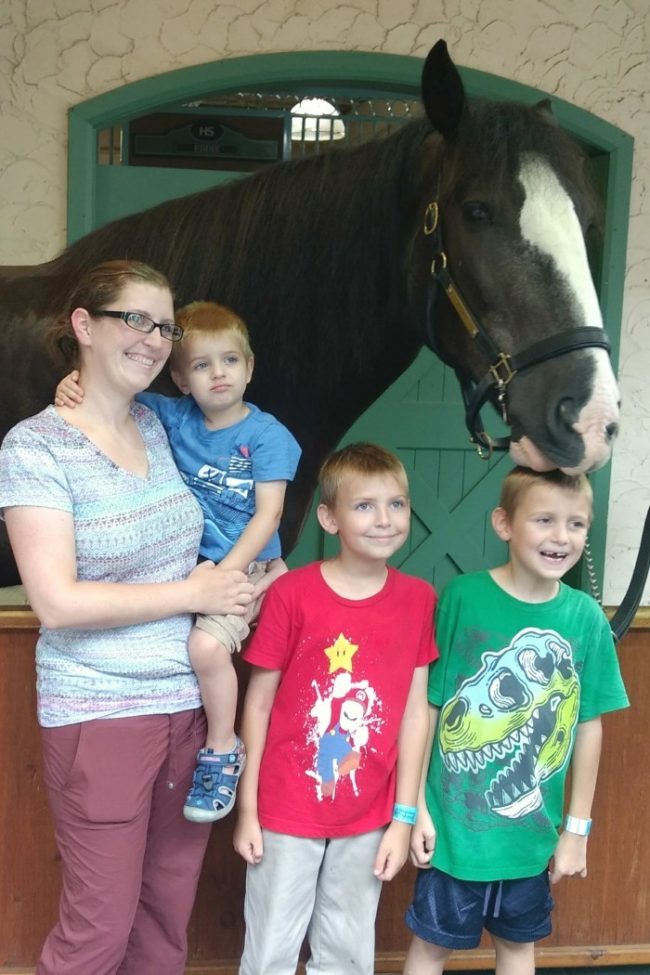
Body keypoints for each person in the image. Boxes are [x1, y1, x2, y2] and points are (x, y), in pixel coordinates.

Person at [0, 260, 260, 975]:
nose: (154, 337)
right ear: (85, 325)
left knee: (162, 925)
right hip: (101, 714)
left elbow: (245, 427)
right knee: (99, 932)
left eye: (165, 325)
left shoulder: (158, 423)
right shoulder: (35, 447)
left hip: (188, 713)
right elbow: (57, 600)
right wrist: (193, 596)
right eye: (135, 319)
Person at [55, 300, 301, 823]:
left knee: (208, 648)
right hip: (189, 571)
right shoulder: (170, 416)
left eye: (230, 361)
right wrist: (72, 382)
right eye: (202, 365)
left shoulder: (267, 436)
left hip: (244, 565)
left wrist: (229, 573)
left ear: (250, 368)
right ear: (181, 380)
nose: (218, 374)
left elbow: (269, 515)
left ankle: (221, 750)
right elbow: (112, 393)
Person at [403, 466, 629, 975]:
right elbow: (428, 706)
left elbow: (588, 725)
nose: (560, 536)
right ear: (504, 524)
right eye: (544, 519)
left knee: (517, 948)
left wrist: (577, 830)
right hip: (451, 836)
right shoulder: (463, 597)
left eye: (576, 524)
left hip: (531, 840)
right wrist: (415, 805)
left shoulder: (586, 619)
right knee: (430, 946)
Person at [233, 442, 439, 975]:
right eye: (364, 505)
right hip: (284, 808)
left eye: (397, 504)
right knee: (271, 950)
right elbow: (256, 706)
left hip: (369, 811)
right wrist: (248, 808)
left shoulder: (419, 599)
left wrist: (405, 816)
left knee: (348, 952)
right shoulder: (292, 595)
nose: (385, 519)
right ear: (329, 518)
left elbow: (416, 714)